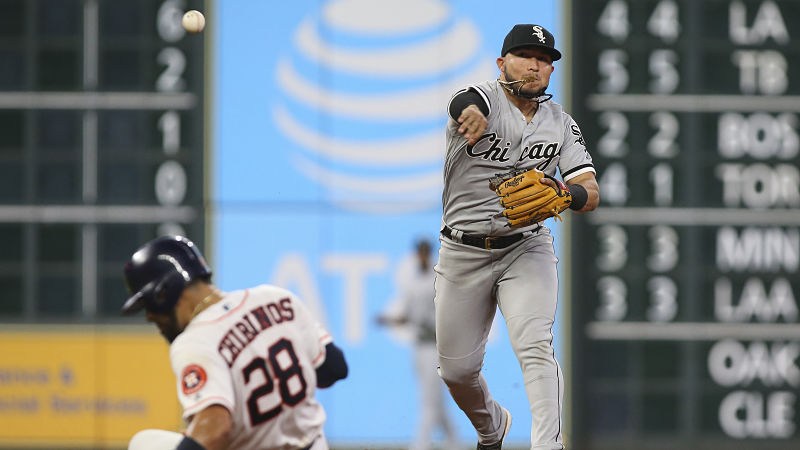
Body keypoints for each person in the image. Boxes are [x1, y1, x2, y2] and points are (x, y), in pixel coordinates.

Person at [435, 24, 599, 450]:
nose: (535, 66)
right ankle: (493, 427)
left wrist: (565, 192)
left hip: (526, 249)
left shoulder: (560, 123)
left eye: (544, 60)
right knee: (456, 372)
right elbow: (463, 101)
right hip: (462, 251)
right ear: (502, 62)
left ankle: (549, 446)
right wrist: (469, 113)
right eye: (526, 55)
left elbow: (591, 194)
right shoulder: (482, 99)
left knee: (534, 347)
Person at [121, 235, 347, 450]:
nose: (149, 317)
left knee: (145, 443)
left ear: (164, 294)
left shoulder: (194, 341)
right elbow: (334, 368)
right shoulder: (277, 298)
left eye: (148, 306)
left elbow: (215, 428)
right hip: (314, 445)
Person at [376, 239, 458, 450]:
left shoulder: (438, 279)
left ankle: (420, 445)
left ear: (429, 253)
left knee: (429, 400)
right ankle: (455, 444)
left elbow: (449, 310)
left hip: (437, 345)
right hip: (420, 346)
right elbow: (408, 316)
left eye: (425, 252)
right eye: (419, 252)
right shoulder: (412, 283)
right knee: (435, 400)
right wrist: (388, 320)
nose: (422, 255)